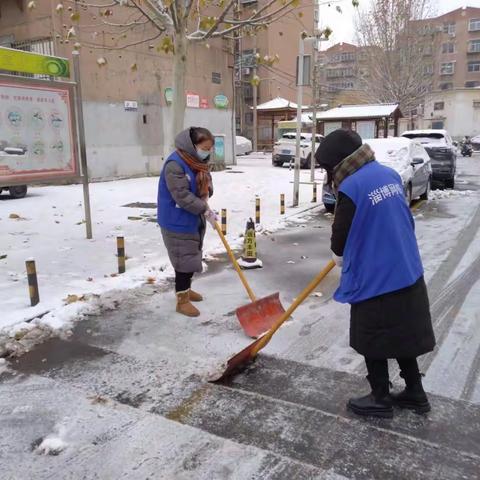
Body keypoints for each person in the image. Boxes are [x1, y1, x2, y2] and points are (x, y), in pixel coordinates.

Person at [315, 129, 436, 419]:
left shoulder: (352, 187)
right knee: (403, 333)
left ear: (336, 163)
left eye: (325, 168)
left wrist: (339, 255)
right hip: (406, 268)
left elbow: (340, 241)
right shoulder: (388, 174)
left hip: (377, 277)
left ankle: (380, 397)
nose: (327, 175)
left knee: (375, 336)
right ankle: (415, 393)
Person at [157, 127, 217, 318]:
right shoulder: (175, 165)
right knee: (183, 260)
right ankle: (182, 301)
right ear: (192, 146)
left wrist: (207, 195)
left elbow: (205, 182)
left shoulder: (197, 162)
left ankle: (186, 289)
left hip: (192, 218)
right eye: (204, 148)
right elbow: (182, 196)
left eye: (209, 149)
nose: (207, 152)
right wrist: (204, 208)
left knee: (190, 256)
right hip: (176, 220)